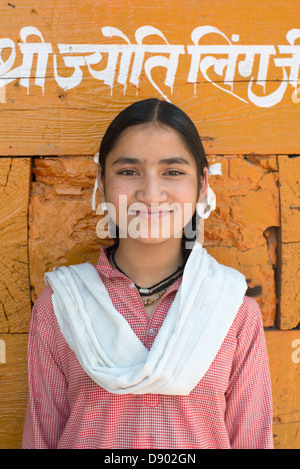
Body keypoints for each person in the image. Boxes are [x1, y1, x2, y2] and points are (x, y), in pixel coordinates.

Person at [22, 98, 273, 449]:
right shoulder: (62, 304)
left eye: (173, 171)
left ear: (202, 184)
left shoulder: (231, 309)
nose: (151, 194)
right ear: (102, 182)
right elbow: (41, 438)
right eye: (128, 171)